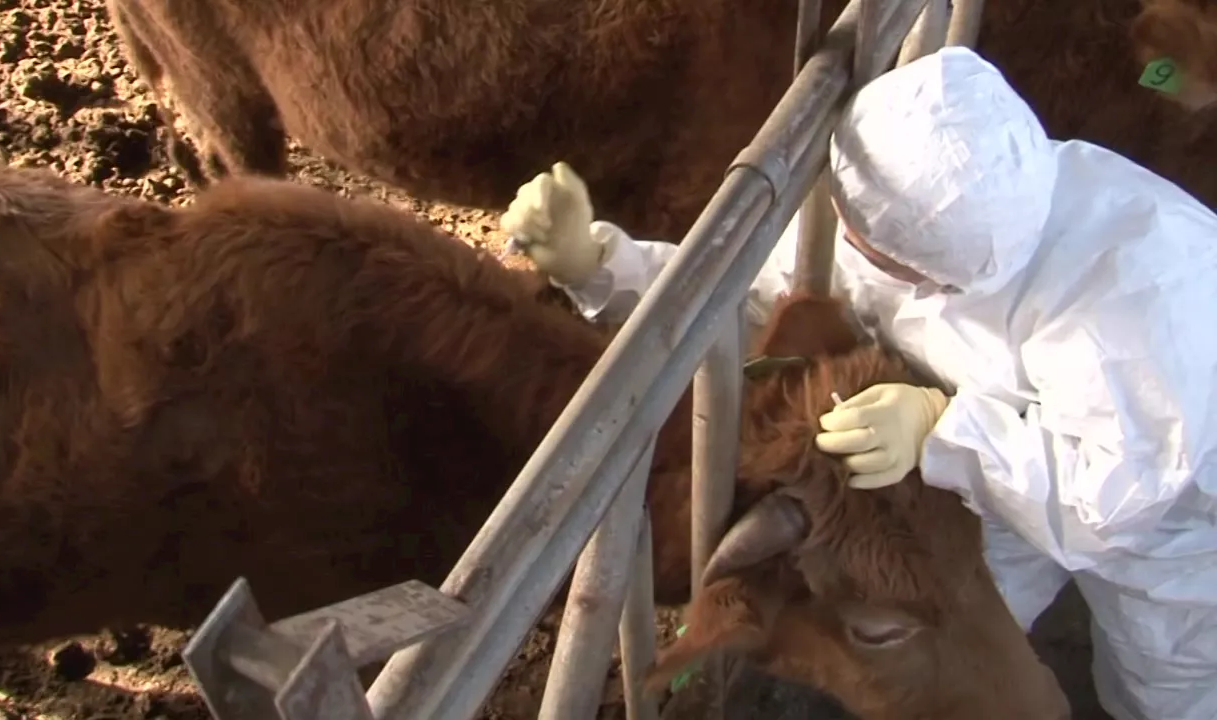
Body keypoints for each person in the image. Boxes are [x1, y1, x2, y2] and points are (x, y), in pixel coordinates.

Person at [499, 45, 1217, 720]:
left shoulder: (1137, 297)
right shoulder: (912, 206)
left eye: (871, 243)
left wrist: (944, 427)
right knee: (959, 605)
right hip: (995, 469)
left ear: (940, 265)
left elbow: (1107, 506)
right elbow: (748, 292)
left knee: (1167, 669)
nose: (849, 241)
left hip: (1167, 515)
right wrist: (596, 265)